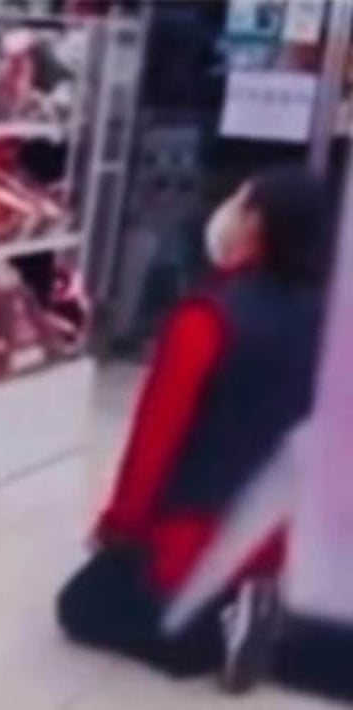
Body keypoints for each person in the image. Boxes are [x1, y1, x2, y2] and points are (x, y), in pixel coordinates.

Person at [57, 167, 333, 687]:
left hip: (195, 531)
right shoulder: (323, 318)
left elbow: (154, 443)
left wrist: (117, 530)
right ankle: (263, 609)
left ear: (258, 226)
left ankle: (225, 622)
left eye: (241, 202)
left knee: (81, 608)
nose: (227, 210)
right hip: (279, 533)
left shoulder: (206, 319)